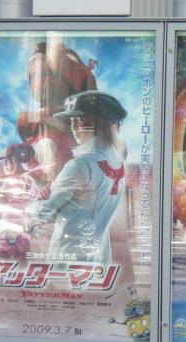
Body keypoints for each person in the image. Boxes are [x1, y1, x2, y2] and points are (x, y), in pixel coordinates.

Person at [26, 90, 128, 264]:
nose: (74, 126)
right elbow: (83, 208)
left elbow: (42, 214)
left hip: (68, 255)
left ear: (99, 122)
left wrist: (36, 195)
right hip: (99, 257)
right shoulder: (118, 162)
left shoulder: (80, 164)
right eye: (72, 120)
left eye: (80, 119)